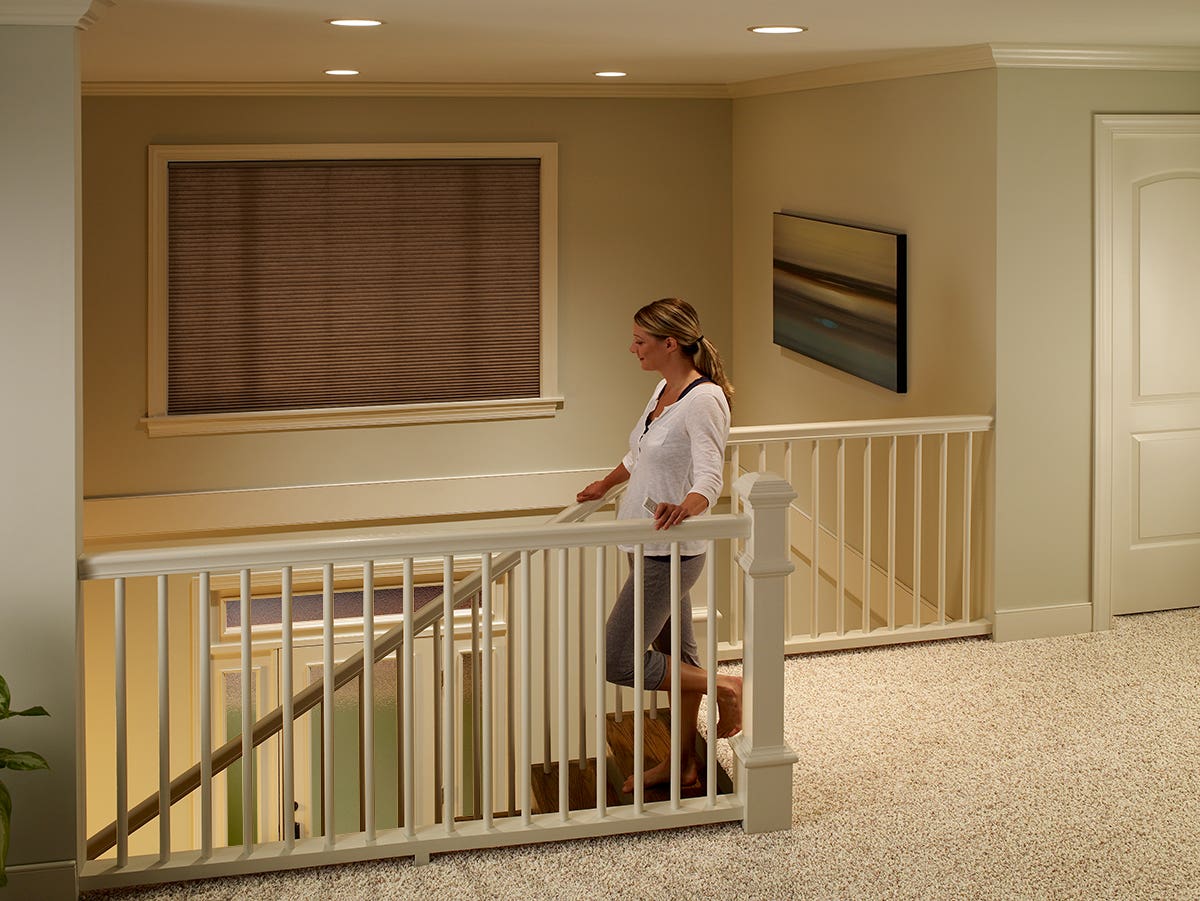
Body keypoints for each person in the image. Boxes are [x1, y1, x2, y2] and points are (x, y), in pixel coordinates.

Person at [576, 297, 743, 794]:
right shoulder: (663, 389)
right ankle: (685, 765)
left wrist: (685, 507)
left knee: (619, 659)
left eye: (640, 341)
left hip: (670, 550)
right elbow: (638, 454)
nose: (633, 349)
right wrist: (604, 486)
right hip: (642, 542)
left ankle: (729, 687)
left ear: (670, 343)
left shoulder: (705, 399)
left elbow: (712, 476)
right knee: (680, 661)